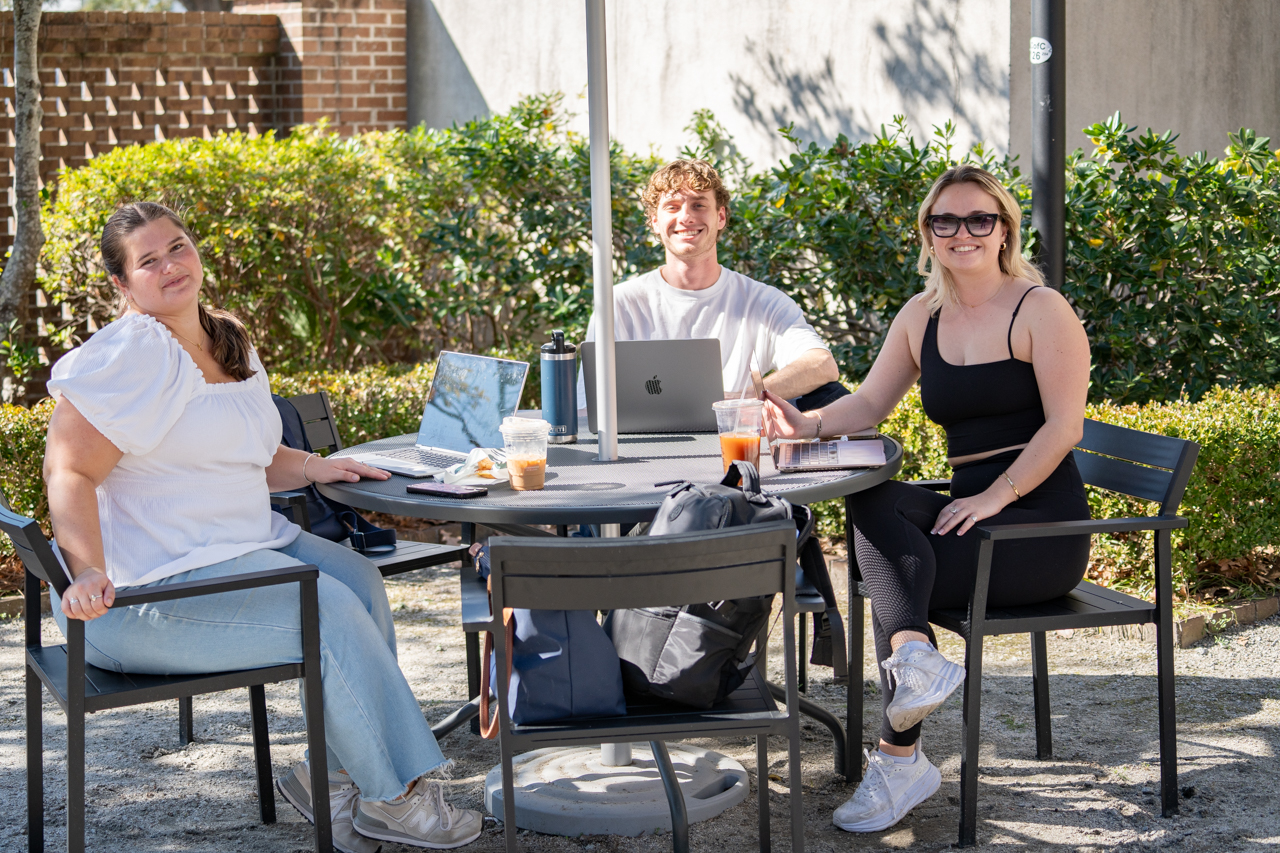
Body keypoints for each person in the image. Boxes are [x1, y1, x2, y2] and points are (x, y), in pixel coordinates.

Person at [42, 202, 482, 853]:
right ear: (121, 285)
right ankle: (395, 796)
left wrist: (316, 465)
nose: (170, 266)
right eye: (148, 260)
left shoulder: (228, 338)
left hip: (235, 546)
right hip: (141, 593)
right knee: (325, 610)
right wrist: (85, 570)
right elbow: (68, 472)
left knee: (358, 582)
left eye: (178, 246)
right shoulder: (130, 357)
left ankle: (330, 775)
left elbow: (247, 450)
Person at [764, 164, 1092, 833]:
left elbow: (1066, 426)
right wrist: (806, 425)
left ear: (1004, 229)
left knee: (898, 569)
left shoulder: (1041, 309)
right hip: (970, 516)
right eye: (946, 220)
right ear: (929, 233)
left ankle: (900, 755)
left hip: (1039, 529)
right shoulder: (923, 315)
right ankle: (914, 660)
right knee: (874, 495)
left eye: (980, 219)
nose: (963, 232)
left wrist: (1000, 493)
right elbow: (869, 403)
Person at [577, 158, 843, 407]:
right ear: (656, 222)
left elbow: (822, 364)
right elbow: (588, 402)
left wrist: (740, 400)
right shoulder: (620, 303)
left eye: (698, 205)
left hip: (734, 446)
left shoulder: (762, 301)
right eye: (672, 206)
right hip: (643, 452)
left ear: (721, 217)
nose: (685, 217)